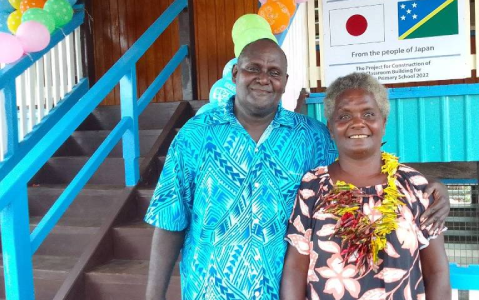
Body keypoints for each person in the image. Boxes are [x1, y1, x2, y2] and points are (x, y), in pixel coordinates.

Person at [144, 39, 450, 300]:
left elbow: (363, 162)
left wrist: (429, 186)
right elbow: (170, 218)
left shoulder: (311, 136)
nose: (264, 78)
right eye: (254, 68)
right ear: (236, 73)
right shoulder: (194, 136)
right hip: (208, 291)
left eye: (274, 72)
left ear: (285, 82)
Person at [280, 73, 451, 300]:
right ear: (331, 128)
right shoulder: (313, 186)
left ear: (384, 122)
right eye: (344, 116)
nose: (357, 122)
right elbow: (295, 269)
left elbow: (437, 272)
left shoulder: (414, 186)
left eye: (368, 114)